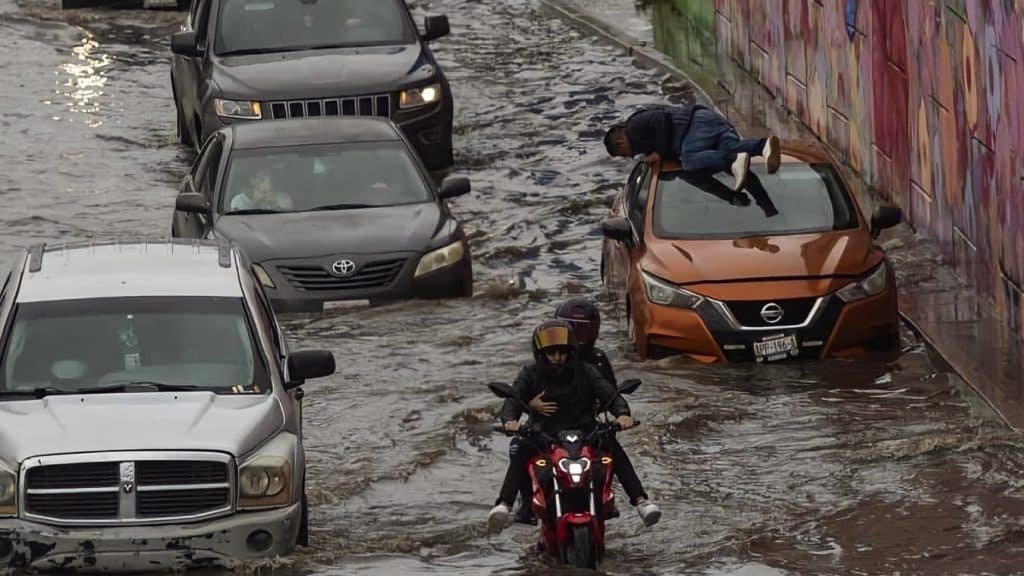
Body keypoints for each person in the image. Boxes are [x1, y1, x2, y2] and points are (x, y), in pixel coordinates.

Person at [487, 320, 661, 533]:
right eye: (552, 353)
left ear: (571, 351)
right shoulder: (530, 373)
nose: (558, 357)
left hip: (586, 433)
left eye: (562, 352)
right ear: (541, 353)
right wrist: (510, 421)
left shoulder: (586, 371)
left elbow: (608, 392)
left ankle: (641, 501)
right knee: (520, 448)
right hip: (543, 436)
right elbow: (513, 400)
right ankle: (504, 504)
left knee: (611, 446)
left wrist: (623, 414)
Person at [603, 104, 781, 192]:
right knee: (730, 147)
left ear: (620, 142)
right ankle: (763, 146)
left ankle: (733, 161)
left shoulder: (634, 126)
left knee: (688, 161)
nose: (629, 156)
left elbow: (662, 119)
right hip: (710, 123)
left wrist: (658, 153)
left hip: (695, 124)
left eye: (623, 154)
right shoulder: (641, 136)